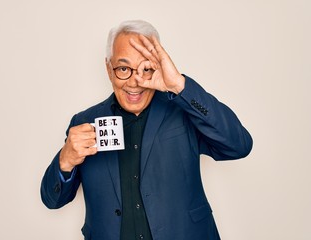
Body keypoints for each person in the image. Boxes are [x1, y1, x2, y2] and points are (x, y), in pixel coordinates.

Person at [40, 20, 253, 240]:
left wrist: (179, 85)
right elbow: (52, 200)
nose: (135, 82)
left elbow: (239, 146)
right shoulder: (85, 121)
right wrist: (65, 160)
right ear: (108, 69)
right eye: (123, 68)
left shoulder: (183, 111)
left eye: (146, 68)